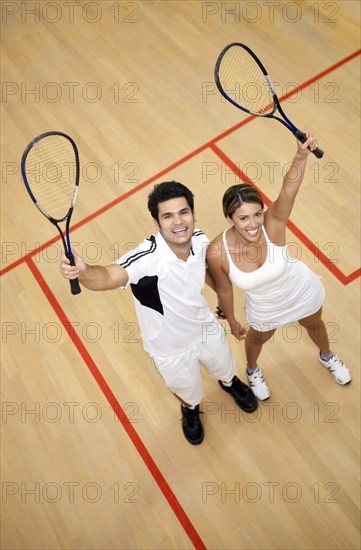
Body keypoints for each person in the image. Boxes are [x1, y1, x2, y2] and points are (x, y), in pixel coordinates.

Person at [60, 181, 257, 445]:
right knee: (188, 392)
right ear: (157, 223)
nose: (178, 222)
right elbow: (106, 276)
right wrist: (83, 271)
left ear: (193, 214)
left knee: (224, 367)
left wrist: (224, 304)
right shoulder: (146, 259)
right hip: (169, 349)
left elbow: (207, 273)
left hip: (206, 329)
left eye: (183, 212)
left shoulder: (199, 239)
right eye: (168, 216)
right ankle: (189, 409)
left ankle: (229, 382)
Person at [206, 132, 351, 400]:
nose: (253, 224)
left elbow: (288, 190)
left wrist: (300, 155)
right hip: (265, 305)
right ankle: (252, 370)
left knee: (314, 324)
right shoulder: (217, 252)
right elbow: (224, 290)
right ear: (229, 219)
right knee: (258, 339)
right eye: (243, 218)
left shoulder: (273, 224)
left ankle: (327, 356)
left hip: (300, 289)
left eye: (257, 214)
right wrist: (234, 320)